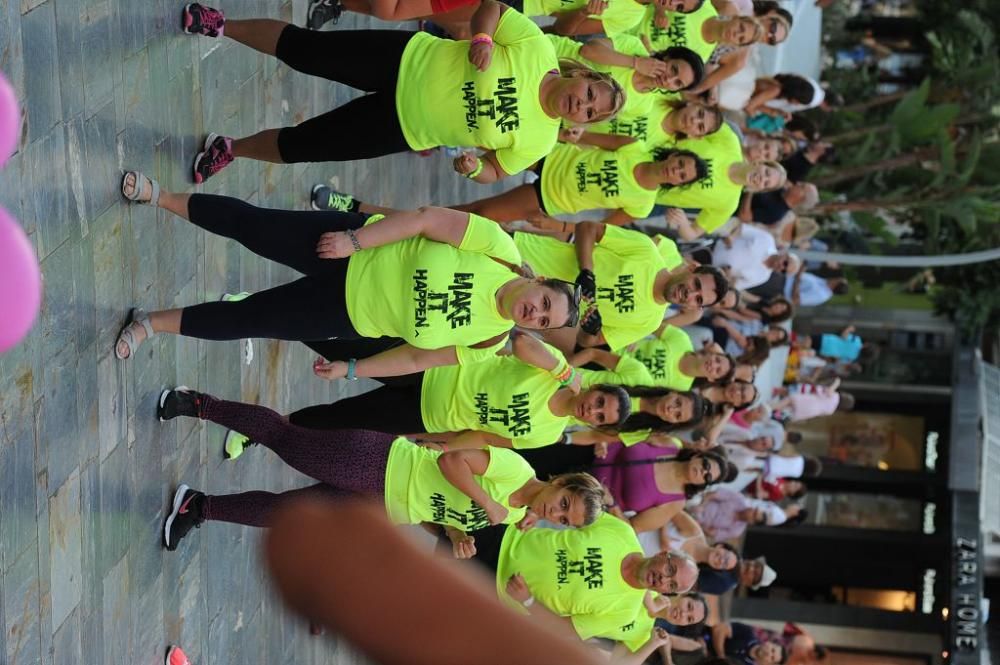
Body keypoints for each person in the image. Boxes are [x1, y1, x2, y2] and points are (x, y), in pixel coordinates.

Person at [115, 179, 580, 378]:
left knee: (249, 319)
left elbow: (416, 359)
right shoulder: (499, 249)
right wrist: (355, 242)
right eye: (544, 303)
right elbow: (422, 219)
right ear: (540, 282)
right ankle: (161, 197)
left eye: (542, 322)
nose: (535, 313)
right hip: (350, 249)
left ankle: (151, 324)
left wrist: (353, 368)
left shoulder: (487, 341)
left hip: (345, 314)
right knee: (254, 227)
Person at [180, 2, 625, 183]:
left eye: (588, 112)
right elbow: (493, 8)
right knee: (304, 50)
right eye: (589, 93)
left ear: (580, 123)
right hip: (405, 60)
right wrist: (483, 40)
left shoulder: (541, 140)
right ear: (583, 75)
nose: (581, 104)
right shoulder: (537, 48)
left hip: (404, 128)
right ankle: (221, 25)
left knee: (304, 147)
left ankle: (231, 149)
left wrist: (472, 168)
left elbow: (497, 171)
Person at [155, 387, 610, 551]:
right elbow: (452, 459)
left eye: (565, 521)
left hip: (381, 504)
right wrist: (485, 499)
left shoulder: (512, 516)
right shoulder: (512, 471)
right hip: (379, 462)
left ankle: (199, 506)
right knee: (283, 439)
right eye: (565, 503)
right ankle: (199, 404)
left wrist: (455, 533)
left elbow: (443, 507)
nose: (558, 513)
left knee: (286, 515)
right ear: (561, 482)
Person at [243, 333, 635, 453]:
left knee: (340, 419)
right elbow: (520, 343)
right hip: (430, 368)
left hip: (427, 415)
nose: (593, 409)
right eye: (601, 401)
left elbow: (485, 438)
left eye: (600, 417)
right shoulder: (558, 373)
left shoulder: (549, 433)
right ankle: (261, 319)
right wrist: (564, 370)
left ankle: (262, 429)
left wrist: (442, 446)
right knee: (342, 349)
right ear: (597, 389)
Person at [462, 512, 702, 651]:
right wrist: (536, 511)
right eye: (670, 569)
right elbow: (575, 505)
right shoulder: (623, 533)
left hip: (490, 591)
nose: (664, 578)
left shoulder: (624, 613)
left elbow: (564, 629)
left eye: (671, 585)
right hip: (502, 537)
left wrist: (528, 601)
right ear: (663, 554)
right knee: (436, 526)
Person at [513, 222, 729, 352]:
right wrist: (586, 271)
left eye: (698, 299)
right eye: (697, 285)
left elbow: (589, 342)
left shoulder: (650, 323)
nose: (690, 294)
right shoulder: (647, 251)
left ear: (694, 308)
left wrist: (592, 328)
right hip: (523, 255)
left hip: (524, 306)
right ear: (691, 269)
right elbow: (587, 228)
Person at [447, 145, 707, 228]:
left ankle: (424, 220)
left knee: (481, 214)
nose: (677, 170)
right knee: (488, 138)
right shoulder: (635, 147)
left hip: (552, 198)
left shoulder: (643, 204)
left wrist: (559, 226)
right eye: (681, 163)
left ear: (678, 184)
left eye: (682, 176)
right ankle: (436, 139)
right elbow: (587, 136)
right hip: (554, 158)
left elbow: (600, 229)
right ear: (674, 155)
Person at [659, 125, 787, 238]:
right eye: (766, 173)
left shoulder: (729, 204)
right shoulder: (730, 141)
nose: (762, 178)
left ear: (759, 189)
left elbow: (693, 233)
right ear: (759, 163)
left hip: (648, 189)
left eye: (765, 183)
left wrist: (683, 223)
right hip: (652, 149)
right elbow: (698, 118)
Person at [595, 444, 737, 533]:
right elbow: (629, 433)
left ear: (704, 485)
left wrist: (612, 504)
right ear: (698, 455)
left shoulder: (675, 503)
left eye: (708, 477)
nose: (703, 472)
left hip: (591, 496)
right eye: (705, 465)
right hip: (589, 453)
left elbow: (631, 528)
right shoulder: (670, 444)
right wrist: (603, 440)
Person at [624, 324, 736, 390]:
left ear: (712, 379)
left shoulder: (681, 389)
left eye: (717, 370)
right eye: (717, 360)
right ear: (712, 353)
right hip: (617, 346)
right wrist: (635, 336)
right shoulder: (682, 339)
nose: (713, 364)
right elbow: (650, 324)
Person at [711, 224, 800, 290]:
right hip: (711, 244)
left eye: (783, 271)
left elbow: (735, 286)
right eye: (785, 263)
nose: (781, 267)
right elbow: (742, 228)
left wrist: (728, 276)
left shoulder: (763, 277)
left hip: (710, 268)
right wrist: (732, 237)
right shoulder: (767, 240)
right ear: (785, 254)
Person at [739, 182, 819, 227]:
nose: (798, 183)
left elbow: (745, 217)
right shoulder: (780, 187)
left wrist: (750, 191)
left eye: (802, 186)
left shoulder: (777, 213)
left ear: (801, 198)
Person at [710, 621, 789, 665]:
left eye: (772, 658)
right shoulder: (748, 633)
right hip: (702, 636)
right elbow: (719, 629)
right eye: (772, 650)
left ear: (769, 663)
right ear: (769, 643)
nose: (769, 654)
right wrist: (721, 655)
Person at [696, 555, 776, 596]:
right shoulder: (732, 554)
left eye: (754, 574)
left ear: (748, 584)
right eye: (755, 565)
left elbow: (690, 583)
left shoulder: (723, 583)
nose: (751, 568)